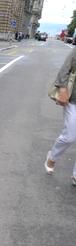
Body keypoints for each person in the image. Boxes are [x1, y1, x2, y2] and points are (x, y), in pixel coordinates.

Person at [45, 48, 76, 185]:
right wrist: (63, 91)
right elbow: (65, 69)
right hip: (73, 100)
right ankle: (52, 157)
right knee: (69, 136)